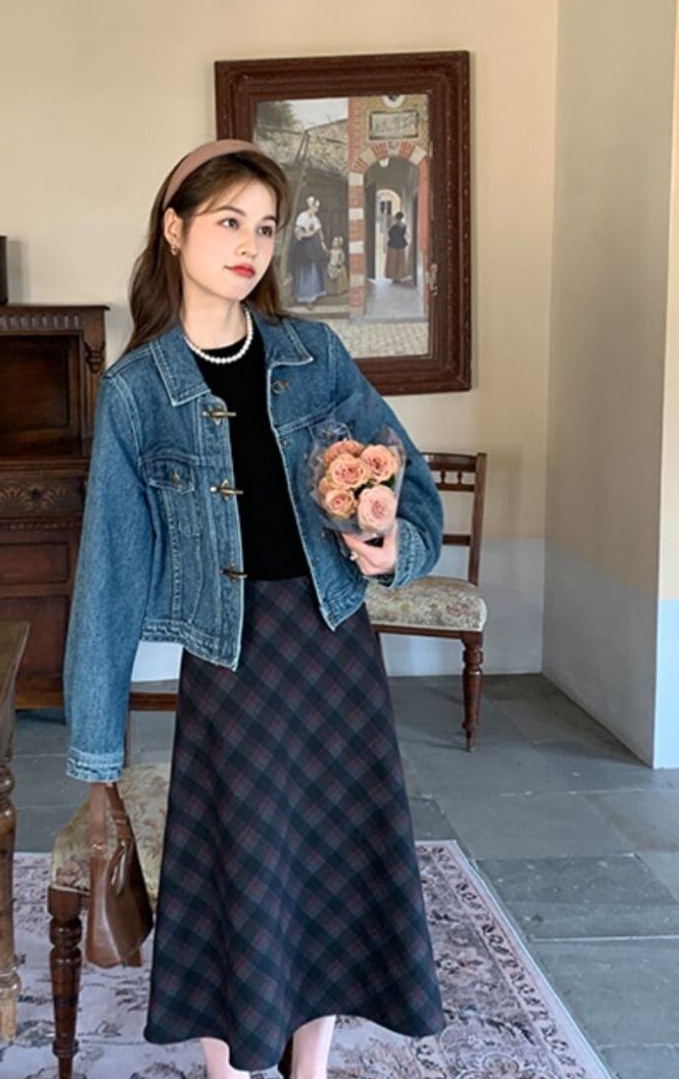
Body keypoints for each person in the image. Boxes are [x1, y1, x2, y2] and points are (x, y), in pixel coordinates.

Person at [62, 138, 447, 1079]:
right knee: (237, 876)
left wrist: (391, 544)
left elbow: (412, 486)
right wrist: (96, 752)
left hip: (335, 646)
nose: (250, 245)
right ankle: (227, 1070)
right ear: (174, 229)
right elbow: (109, 573)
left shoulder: (314, 355)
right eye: (228, 220)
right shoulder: (138, 392)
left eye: (266, 227)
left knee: (329, 868)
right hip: (233, 662)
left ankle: (309, 1069)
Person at [289, 195, 327, 306]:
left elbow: (319, 231)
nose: (317, 210)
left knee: (315, 269)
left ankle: (315, 295)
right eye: (316, 207)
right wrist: (308, 234)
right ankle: (306, 298)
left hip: (314, 248)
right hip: (304, 248)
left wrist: (322, 243)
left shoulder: (315, 218)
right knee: (306, 271)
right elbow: (298, 232)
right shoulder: (302, 216)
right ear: (311, 207)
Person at [387, 209, 409, 284]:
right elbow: (403, 234)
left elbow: (390, 234)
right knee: (400, 262)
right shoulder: (403, 226)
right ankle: (399, 277)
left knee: (392, 262)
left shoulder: (392, 226)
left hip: (392, 244)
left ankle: (394, 278)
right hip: (401, 245)